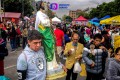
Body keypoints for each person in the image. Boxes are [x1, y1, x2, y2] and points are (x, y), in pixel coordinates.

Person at [35, 1, 66, 80]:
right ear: (39, 6)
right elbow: (44, 23)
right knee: (49, 48)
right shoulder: (39, 13)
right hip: (45, 34)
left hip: (48, 33)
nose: (43, 5)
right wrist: (50, 21)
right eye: (42, 4)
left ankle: (53, 64)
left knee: (52, 46)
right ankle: (50, 66)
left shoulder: (43, 14)